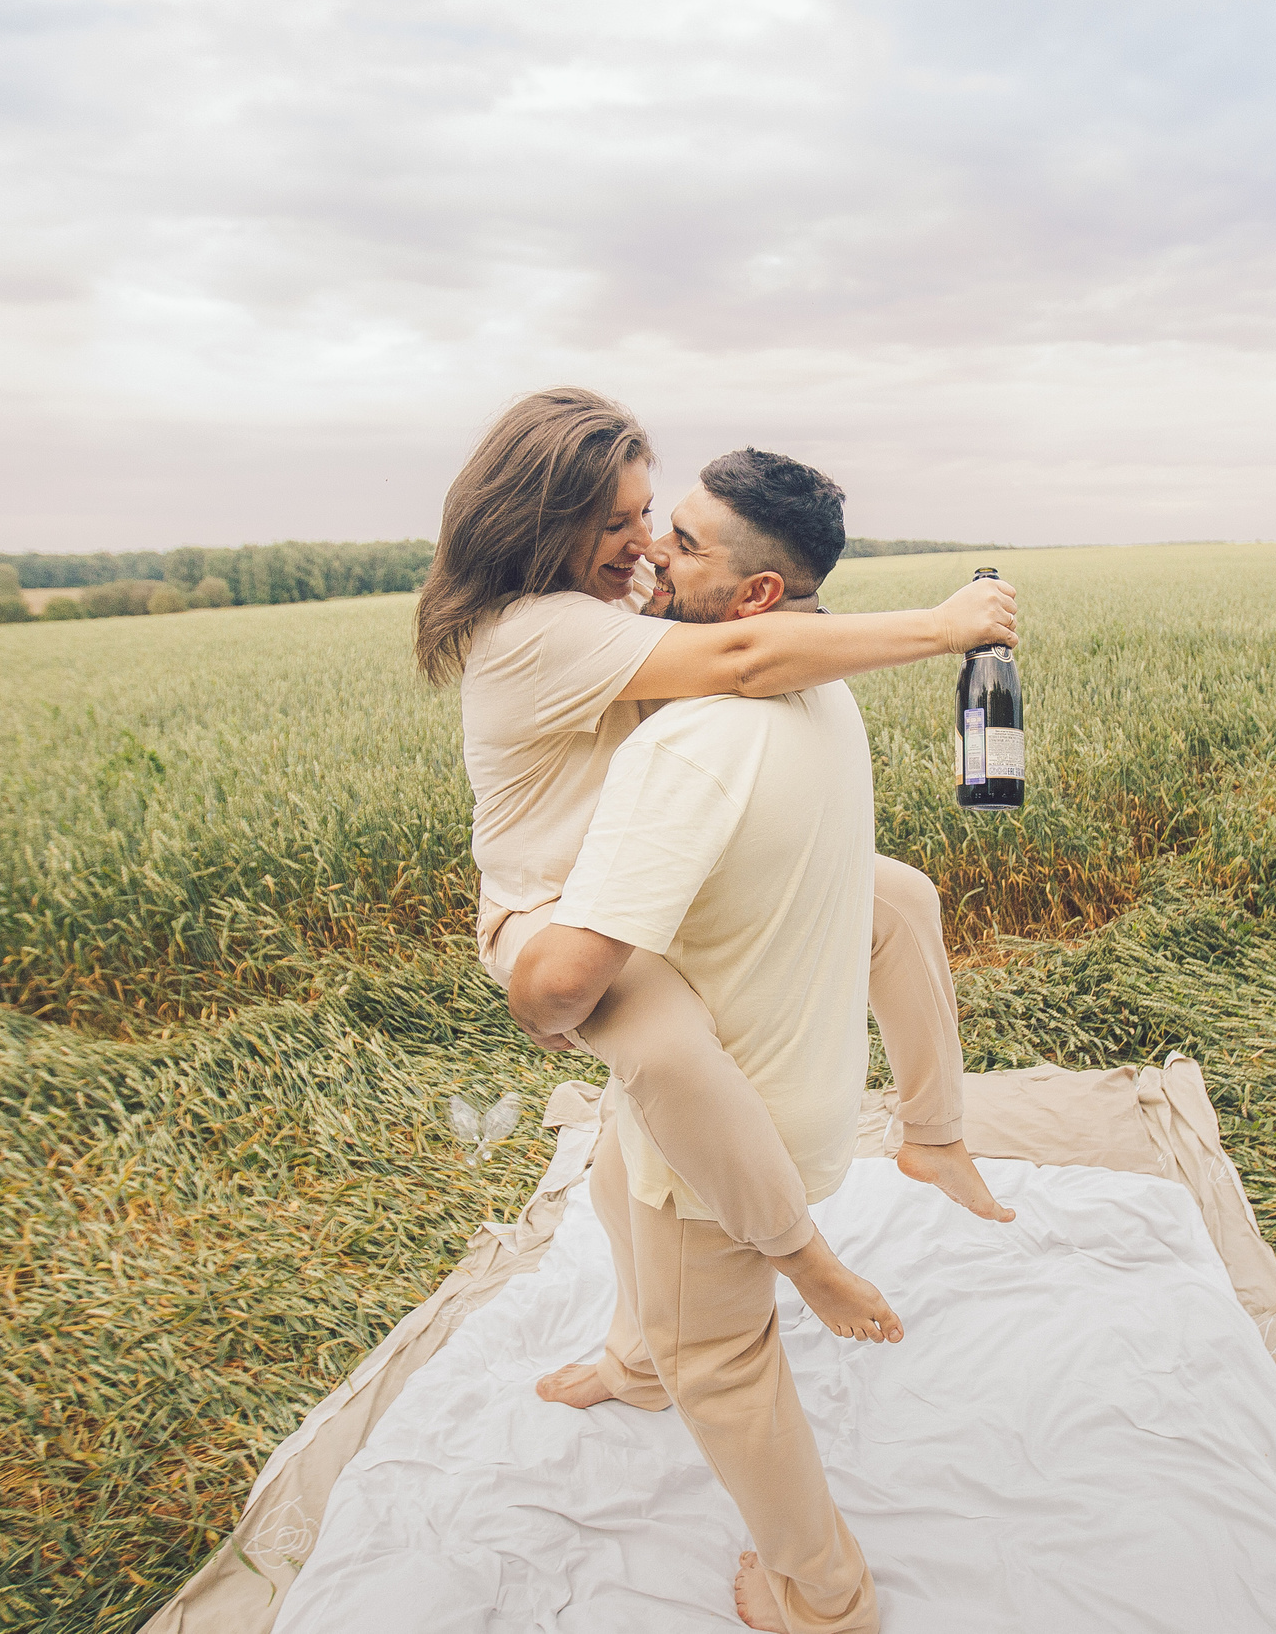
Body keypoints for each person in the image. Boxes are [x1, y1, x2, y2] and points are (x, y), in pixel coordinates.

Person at [415, 389, 1015, 1349]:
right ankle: (800, 1253)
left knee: (898, 897)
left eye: (647, 514)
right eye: (615, 523)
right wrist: (945, 628)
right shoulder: (538, 629)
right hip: (551, 912)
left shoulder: (611, 600)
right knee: (663, 1047)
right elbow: (742, 653)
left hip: (643, 882)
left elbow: (758, 620)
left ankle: (934, 1135)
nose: (644, 543)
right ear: (541, 524)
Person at [505, 447, 898, 1632]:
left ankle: (822, 1593)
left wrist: (542, 1007)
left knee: (722, 1365)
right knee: (611, 1182)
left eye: (681, 542)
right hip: (796, 1075)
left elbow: (570, 974)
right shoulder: (821, 694)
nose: (650, 556)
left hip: (724, 1130)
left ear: (756, 596)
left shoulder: (688, 745)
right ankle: (633, 1366)